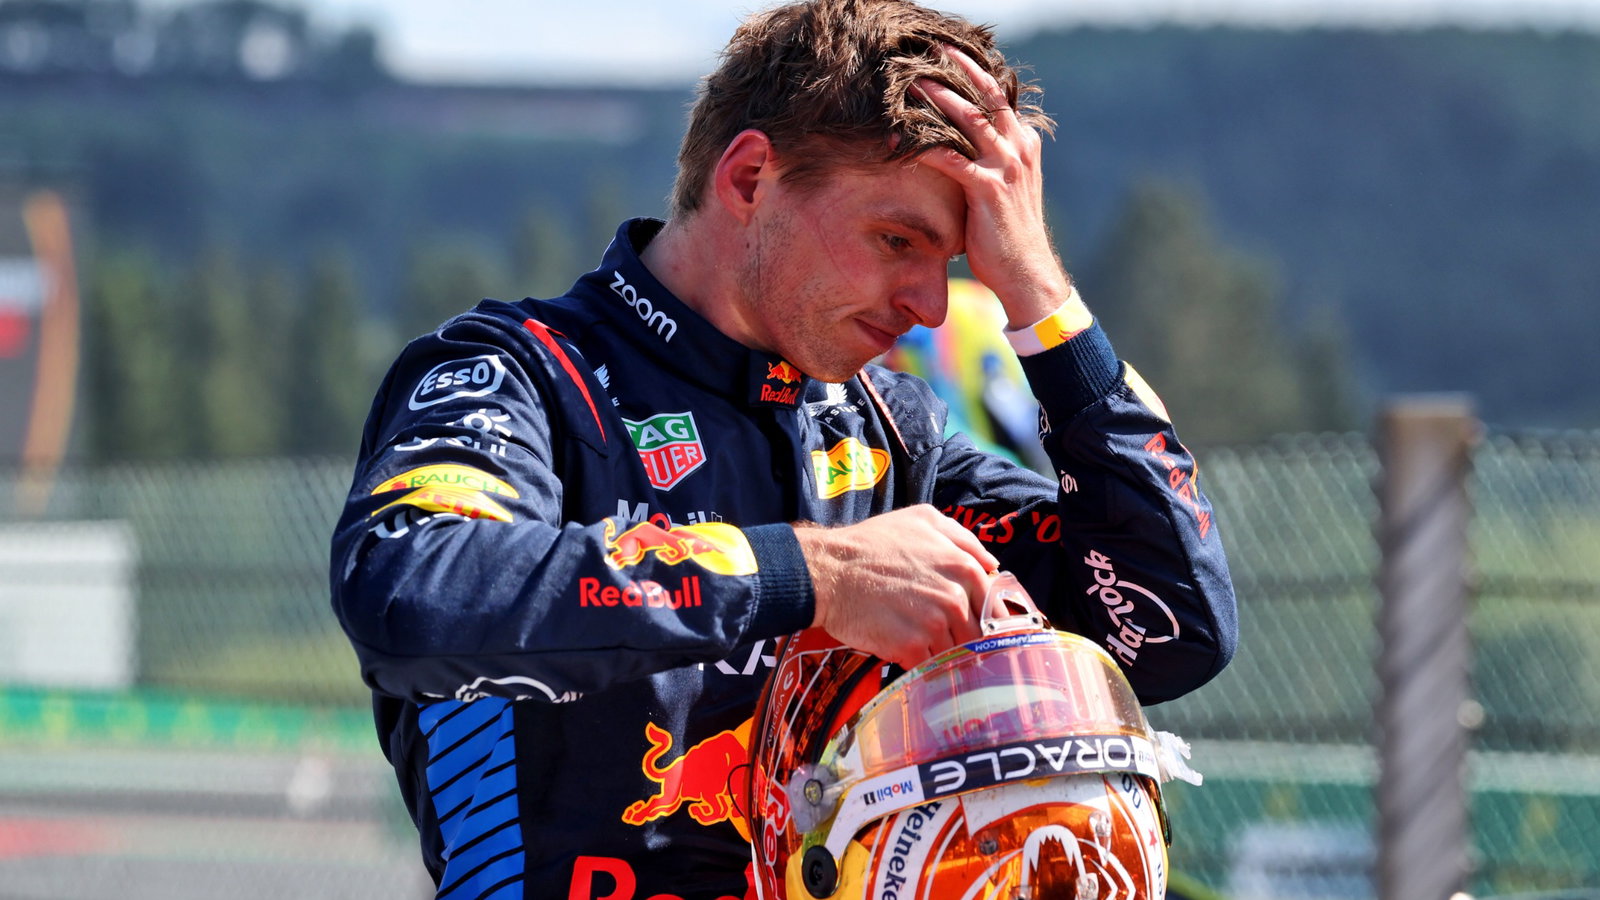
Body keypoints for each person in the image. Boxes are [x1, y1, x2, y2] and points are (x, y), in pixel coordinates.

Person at [329, 2, 1237, 898]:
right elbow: (415, 594)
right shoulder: (520, 375)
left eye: (954, 263)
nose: (930, 305)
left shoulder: (887, 435)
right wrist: (813, 573)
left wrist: (1041, 298)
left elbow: (1167, 633)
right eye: (897, 240)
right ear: (751, 176)